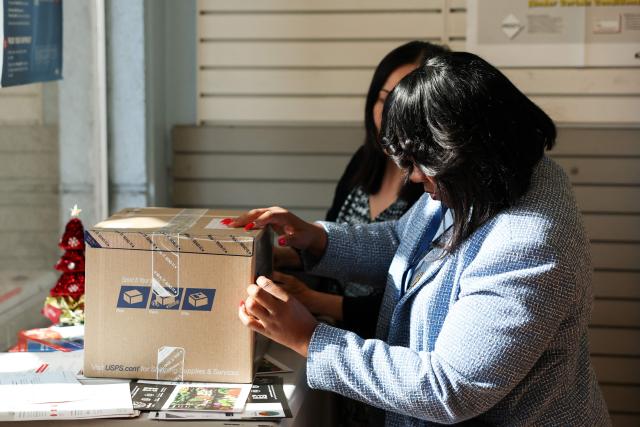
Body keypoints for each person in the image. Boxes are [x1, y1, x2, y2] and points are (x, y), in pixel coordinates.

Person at [229, 52, 611, 425]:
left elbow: (450, 387)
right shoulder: (488, 176)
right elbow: (402, 242)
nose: (412, 178)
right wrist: (316, 239)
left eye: (420, 164)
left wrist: (310, 339)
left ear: (467, 151)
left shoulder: (528, 243)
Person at [273, 40, 449, 340]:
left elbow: (413, 300)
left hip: (379, 341)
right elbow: (337, 243)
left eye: (406, 103)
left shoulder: (438, 185)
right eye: (384, 100)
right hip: (325, 322)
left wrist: (311, 302)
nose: (391, 114)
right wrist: (278, 255)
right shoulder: (363, 160)